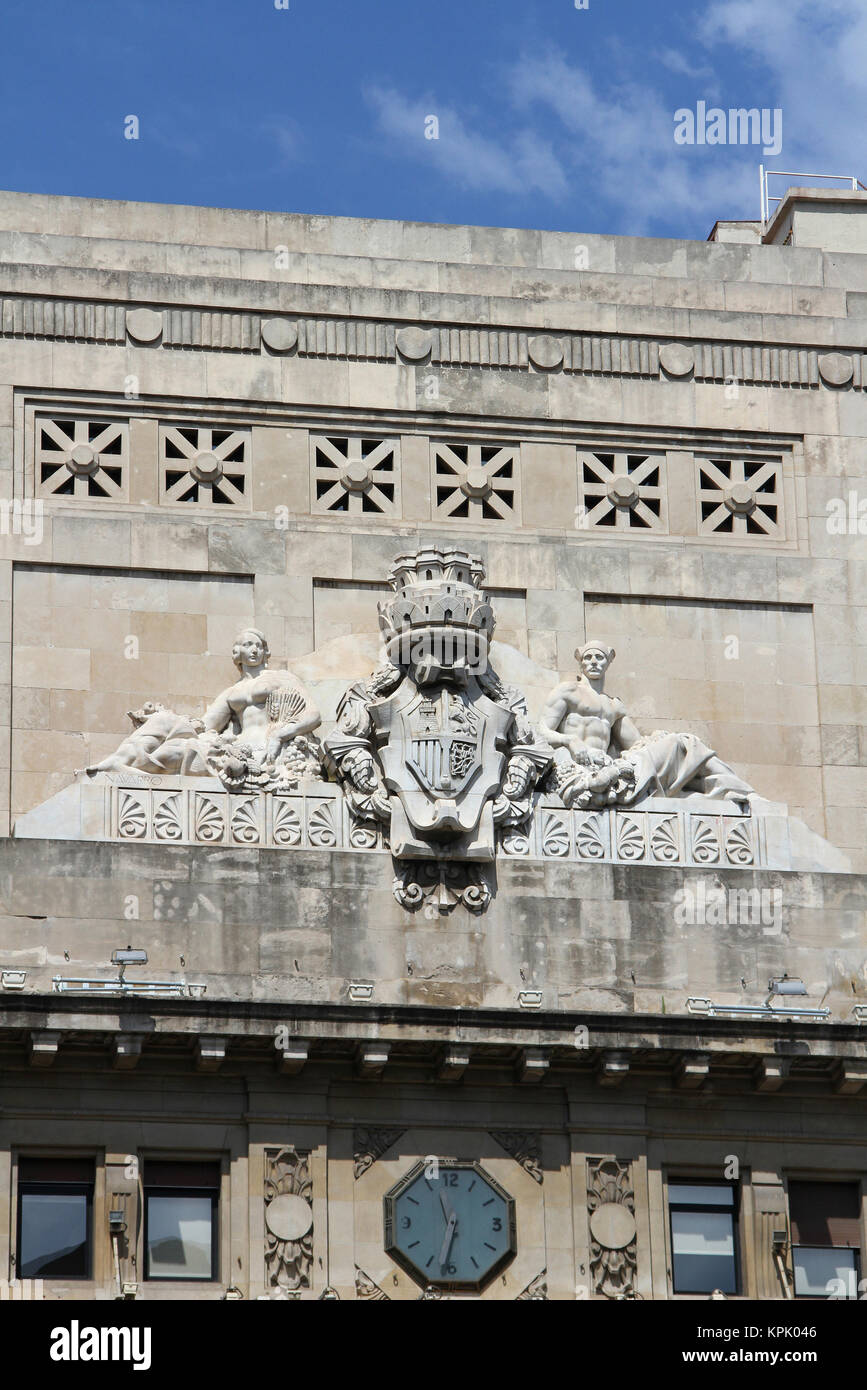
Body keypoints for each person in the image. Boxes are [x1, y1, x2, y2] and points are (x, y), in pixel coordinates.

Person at [540, 641, 756, 809]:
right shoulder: (568, 691)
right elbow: (541, 732)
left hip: (610, 767)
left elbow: (636, 745)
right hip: (581, 769)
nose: (593, 662)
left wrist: (659, 739)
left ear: (608, 661)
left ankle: (737, 792)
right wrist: (570, 740)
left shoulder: (614, 706)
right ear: (581, 662)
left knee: (686, 743)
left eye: (599, 657)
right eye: (588, 657)